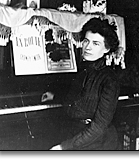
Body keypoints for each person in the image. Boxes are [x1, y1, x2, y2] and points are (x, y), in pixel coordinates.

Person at [41, 17, 120, 150]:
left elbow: (99, 126)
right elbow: (78, 100)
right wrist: (54, 96)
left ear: (106, 49)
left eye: (96, 43)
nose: (88, 47)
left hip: (97, 142)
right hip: (76, 132)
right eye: (86, 41)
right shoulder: (83, 69)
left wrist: (64, 146)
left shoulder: (109, 79)